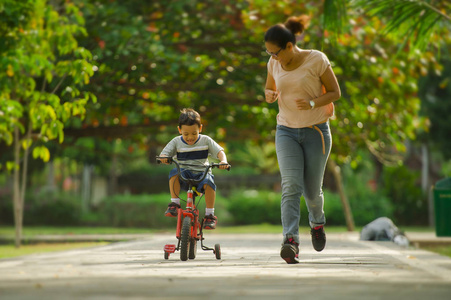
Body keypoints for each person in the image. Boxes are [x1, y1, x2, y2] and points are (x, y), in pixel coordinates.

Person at [263, 15, 341, 264]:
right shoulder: (273, 63)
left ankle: (317, 224)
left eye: (275, 53)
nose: (273, 58)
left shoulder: (316, 59)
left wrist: (311, 102)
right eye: (269, 53)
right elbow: (270, 87)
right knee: (290, 186)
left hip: (315, 130)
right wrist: (269, 95)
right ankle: (291, 241)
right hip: (286, 130)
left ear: (289, 46)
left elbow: (335, 92)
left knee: (312, 192)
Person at [159, 108, 230, 230]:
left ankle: (209, 215)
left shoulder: (206, 140)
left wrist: (223, 161)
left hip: (202, 173)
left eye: (194, 133)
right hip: (183, 174)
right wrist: (164, 158)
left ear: (200, 129)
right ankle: (175, 204)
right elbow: (163, 154)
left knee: (209, 182)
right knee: (174, 172)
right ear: (179, 130)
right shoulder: (176, 142)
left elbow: (220, 152)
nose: (190, 137)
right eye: (186, 134)